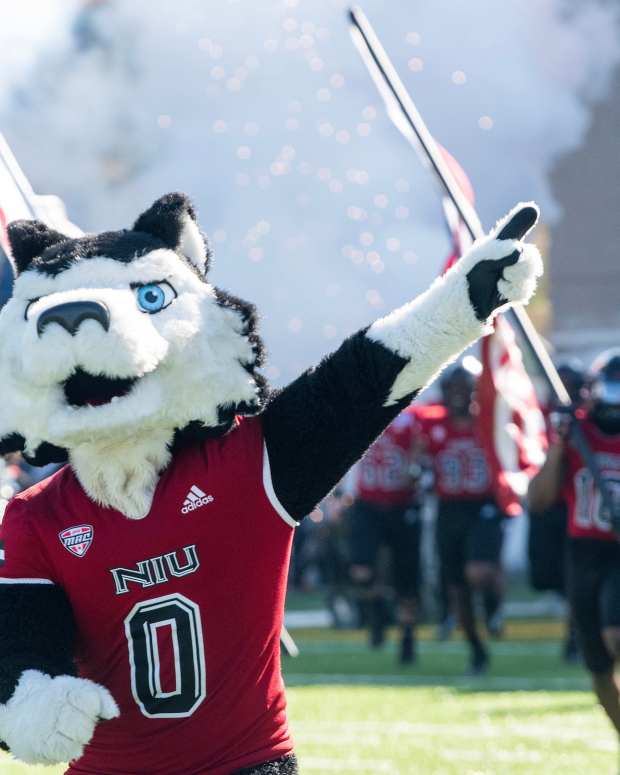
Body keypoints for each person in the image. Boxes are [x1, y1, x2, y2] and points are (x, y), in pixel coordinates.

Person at [529, 349, 620, 744]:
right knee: (598, 668)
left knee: (617, 632)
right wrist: (557, 447)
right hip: (583, 554)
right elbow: (538, 501)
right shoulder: (576, 433)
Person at [416, 360, 506, 674]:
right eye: (453, 389)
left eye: (464, 389)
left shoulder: (491, 423)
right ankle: (476, 649)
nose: (458, 396)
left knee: (478, 572)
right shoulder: (432, 424)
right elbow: (418, 461)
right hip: (449, 509)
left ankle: (494, 605)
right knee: (457, 589)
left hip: (483, 505)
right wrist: (420, 472)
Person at [348, 409, 423, 663]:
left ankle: (407, 635)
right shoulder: (362, 410)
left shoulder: (412, 419)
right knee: (361, 571)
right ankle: (379, 612)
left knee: (406, 579)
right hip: (367, 503)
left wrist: (415, 467)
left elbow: (422, 449)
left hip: (402, 505)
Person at [527, 361, 585, 661]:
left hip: (583, 507)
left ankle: (576, 630)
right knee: (546, 575)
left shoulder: (591, 419)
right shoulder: (536, 416)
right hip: (548, 503)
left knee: (578, 572)